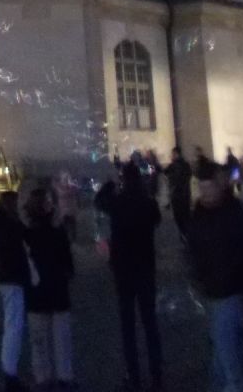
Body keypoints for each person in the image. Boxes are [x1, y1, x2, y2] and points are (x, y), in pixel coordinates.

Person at [185, 160, 243, 392]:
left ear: (217, 185)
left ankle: (235, 384)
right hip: (212, 291)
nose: (205, 194)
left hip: (230, 288)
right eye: (201, 189)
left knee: (228, 347)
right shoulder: (200, 213)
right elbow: (192, 249)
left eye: (208, 188)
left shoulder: (232, 210)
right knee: (222, 344)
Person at [100, 161, 163, 392]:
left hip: (124, 269)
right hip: (145, 267)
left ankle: (134, 376)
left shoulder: (118, 202)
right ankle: (157, 377)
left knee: (128, 326)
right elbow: (156, 220)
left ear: (123, 178)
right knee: (150, 324)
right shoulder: (147, 202)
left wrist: (110, 183)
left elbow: (99, 201)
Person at [24, 184, 75, 390]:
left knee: (38, 341)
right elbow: (68, 264)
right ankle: (65, 376)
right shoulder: (58, 233)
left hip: (36, 294)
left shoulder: (27, 235)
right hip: (59, 292)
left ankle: (42, 378)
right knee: (62, 338)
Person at [0, 188, 31, 392]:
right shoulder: (8, 224)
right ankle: (10, 374)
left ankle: (10, 369)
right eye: (14, 203)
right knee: (14, 326)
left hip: (9, 277)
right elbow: (22, 240)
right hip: (12, 277)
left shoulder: (2, 222)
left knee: (14, 324)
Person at [165, 147, 193, 238]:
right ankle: (188, 235)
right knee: (186, 216)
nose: (171, 156)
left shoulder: (174, 165)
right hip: (186, 194)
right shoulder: (186, 164)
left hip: (177, 195)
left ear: (176, 154)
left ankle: (185, 235)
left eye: (172, 154)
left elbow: (166, 173)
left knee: (179, 217)